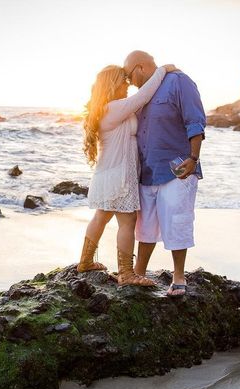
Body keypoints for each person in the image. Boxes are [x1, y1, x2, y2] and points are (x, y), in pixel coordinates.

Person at [77, 62, 177, 287]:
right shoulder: (113, 107)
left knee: (101, 217)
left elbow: (140, 103)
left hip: (108, 173)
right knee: (127, 220)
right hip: (119, 175)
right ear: (113, 84)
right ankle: (126, 273)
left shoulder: (106, 109)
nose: (128, 84)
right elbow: (142, 97)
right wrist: (161, 71)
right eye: (124, 80)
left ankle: (85, 262)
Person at [123, 50, 206, 296]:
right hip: (147, 170)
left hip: (177, 168)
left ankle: (178, 276)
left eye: (128, 77)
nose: (129, 83)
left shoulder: (179, 81)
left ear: (139, 68)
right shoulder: (142, 94)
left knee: (177, 221)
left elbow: (195, 120)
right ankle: (138, 271)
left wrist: (193, 158)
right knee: (144, 225)